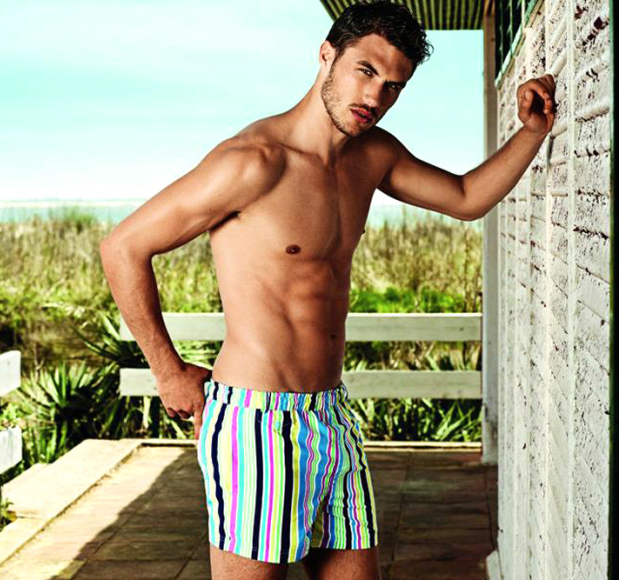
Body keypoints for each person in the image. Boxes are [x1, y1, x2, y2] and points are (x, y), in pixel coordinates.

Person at [99, 1, 556, 578]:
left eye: (393, 86)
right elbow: (123, 247)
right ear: (326, 55)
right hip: (258, 423)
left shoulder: (374, 156)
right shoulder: (253, 162)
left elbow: (466, 198)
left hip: (332, 415)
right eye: (365, 71)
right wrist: (167, 372)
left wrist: (532, 131)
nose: (375, 96)